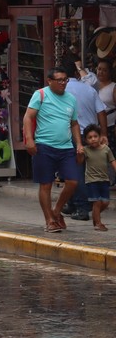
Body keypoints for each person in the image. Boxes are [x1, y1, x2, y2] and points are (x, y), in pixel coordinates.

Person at [23, 68, 83, 233]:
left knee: (73, 181)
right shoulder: (41, 95)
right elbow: (28, 117)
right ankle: (49, 220)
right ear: (50, 81)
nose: (63, 83)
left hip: (66, 147)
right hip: (44, 145)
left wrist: (79, 144)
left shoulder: (71, 99)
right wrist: (29, 139)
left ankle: (56, 211)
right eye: (59, 80)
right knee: (46, 184)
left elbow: (74, 123)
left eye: (65, 80)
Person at [64, 64, 107, 221]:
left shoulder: (61, 91)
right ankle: (72, 203)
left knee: (75, 172)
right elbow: (101, 112)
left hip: (72, 136)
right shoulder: (89, 89)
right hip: (90, 136)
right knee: (82, 172)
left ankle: (82, 208)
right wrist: (103, 134)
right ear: (77, 74)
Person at [81, 124, 116, 231]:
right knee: (97, 202)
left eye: (95, 136)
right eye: (90, 137)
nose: (93, 139)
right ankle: (98, 223)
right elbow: (79, 161)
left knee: (105, 202)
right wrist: (79, 154)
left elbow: (112, 161)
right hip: (91, 181)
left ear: (100, 137)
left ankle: (95, 216)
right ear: (86, 140)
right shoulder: (86, 150)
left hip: (104, 179)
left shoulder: (106, 149)